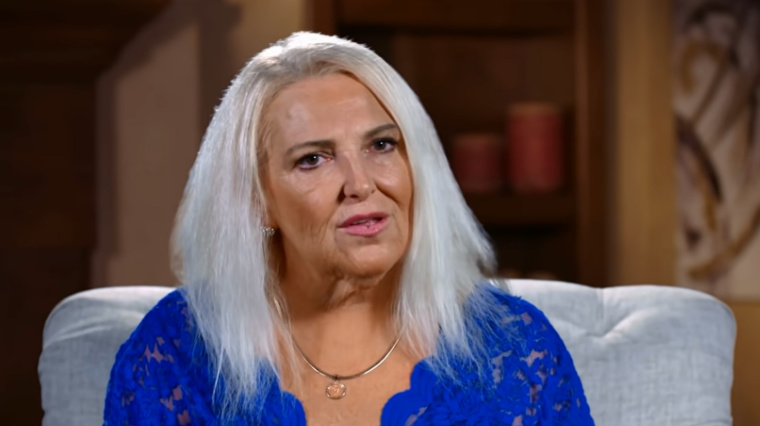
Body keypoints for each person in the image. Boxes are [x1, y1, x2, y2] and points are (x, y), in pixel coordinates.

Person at [104, 31, 594, 425]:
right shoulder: (173, 351)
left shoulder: (516, 348)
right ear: (257, 202)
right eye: (312, 159)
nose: (360, 184)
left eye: (381, 145)